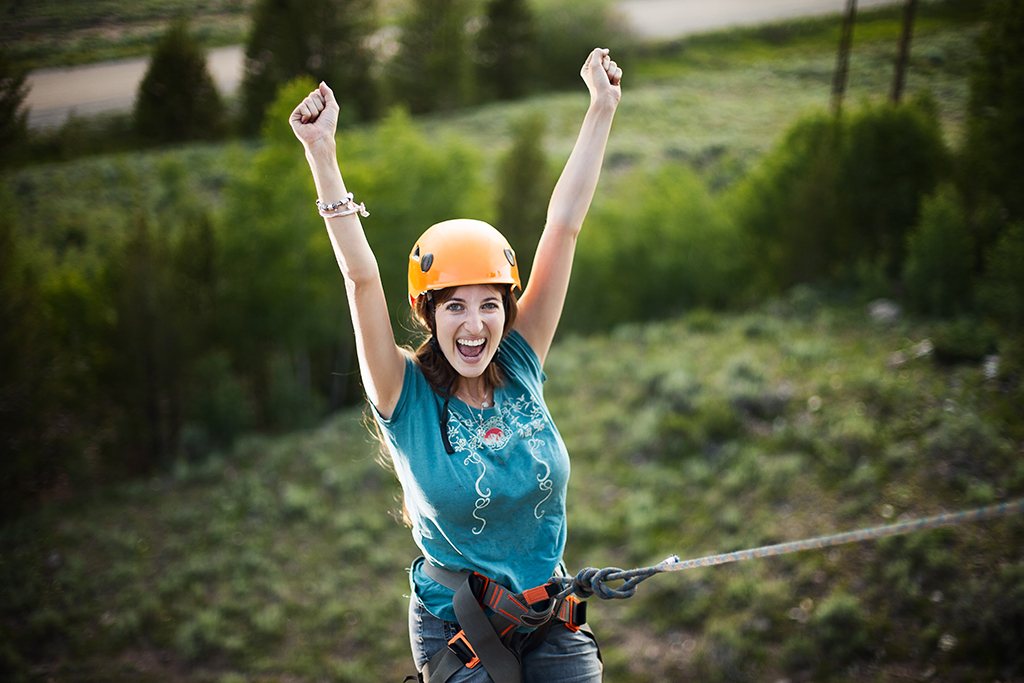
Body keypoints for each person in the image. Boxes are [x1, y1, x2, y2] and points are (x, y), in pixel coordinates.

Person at [290, 47, 622, 683]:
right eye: (456, 307)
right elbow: (361, 280)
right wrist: (322, 157)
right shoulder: (404, 396)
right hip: (457, 627)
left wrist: (601, 108)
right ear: (427, 313)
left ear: (508, 308)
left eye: (491, 305)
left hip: (548, 614)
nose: (476, 325)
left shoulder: (521, 362)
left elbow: (564, 227)